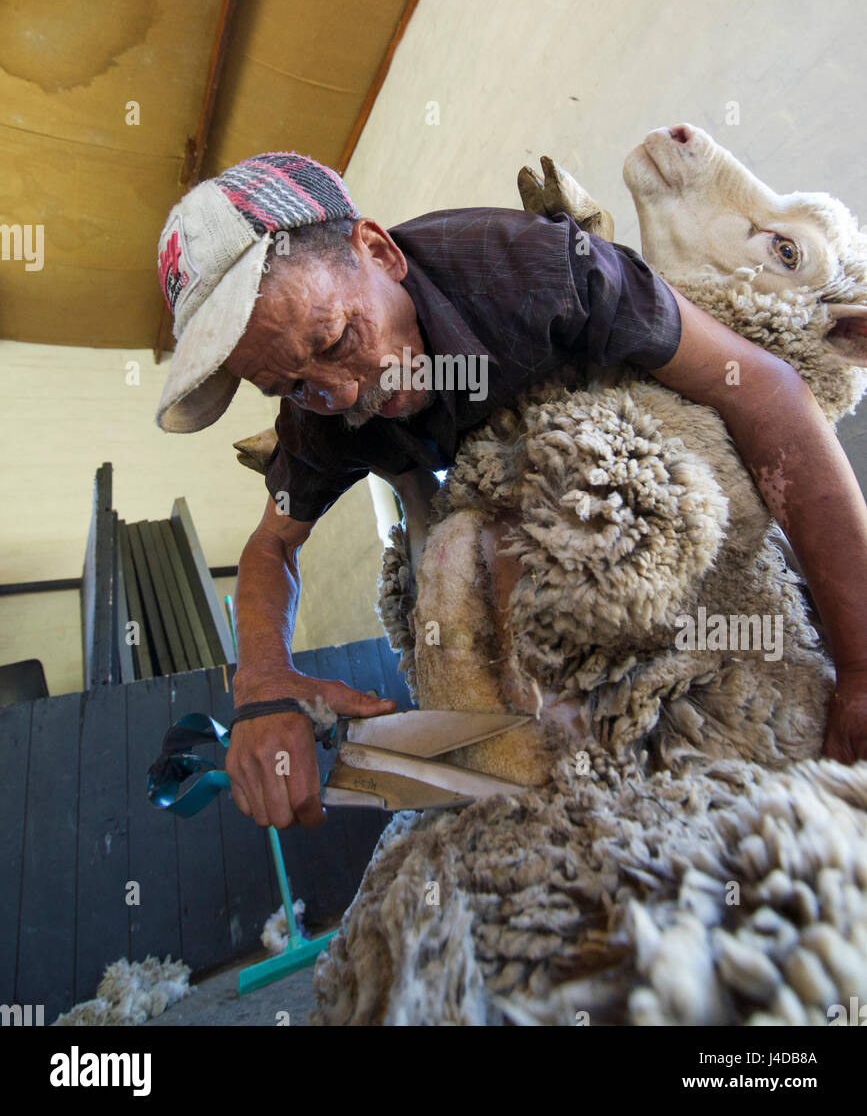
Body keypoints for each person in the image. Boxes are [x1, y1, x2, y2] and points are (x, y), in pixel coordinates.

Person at [155, 151, 867, 830]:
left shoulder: (531, 271)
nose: (339, 393)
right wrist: (263, 683)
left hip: (650, 530)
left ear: (379, 253)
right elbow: (271, 544)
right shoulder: (320, 415)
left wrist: (861, 663)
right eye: (288, 385)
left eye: (339, 338)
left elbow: (765, 392)